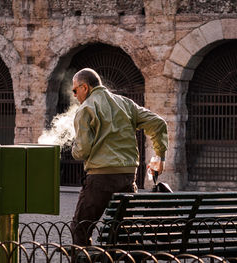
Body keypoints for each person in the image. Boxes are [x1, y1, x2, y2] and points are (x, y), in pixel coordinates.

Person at [70, 68, 168, 246]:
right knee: (122, 229)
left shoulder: (86, 109)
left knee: (80, 228)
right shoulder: (126, 103)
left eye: (75, 90)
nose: (74, 95)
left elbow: (83, 151)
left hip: (100, 178)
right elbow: (159, 123)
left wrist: (73, 149)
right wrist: (159, 157)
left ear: (85, 87)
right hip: (127, 177)